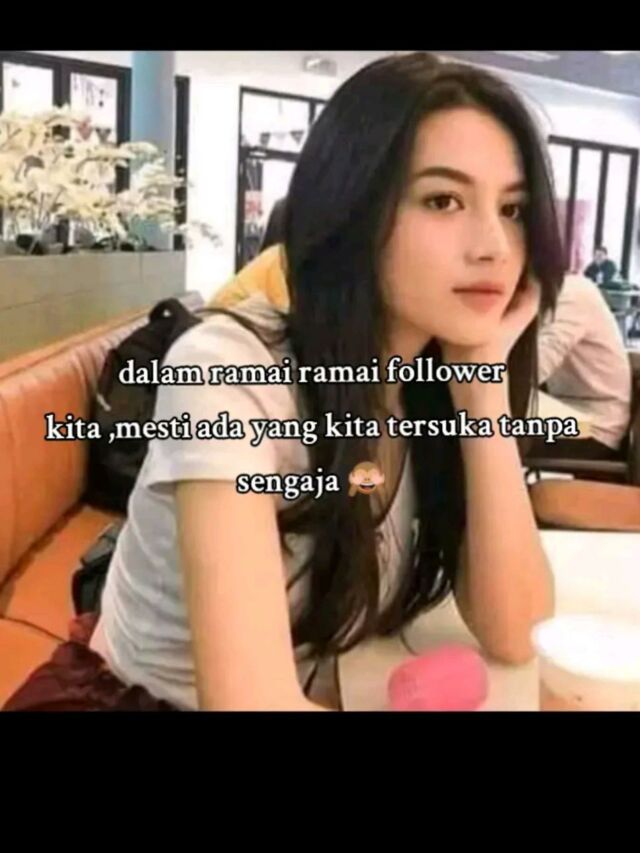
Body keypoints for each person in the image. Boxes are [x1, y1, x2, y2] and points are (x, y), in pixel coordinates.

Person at [4, 51, 565, 712]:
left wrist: (481, 389)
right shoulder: (229, 370)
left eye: (513, 209)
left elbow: (518, 632)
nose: (494, 246)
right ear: (352, 211)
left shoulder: (424, 383)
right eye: (443, 200)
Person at [531, 273, 632, 461]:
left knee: (484, 437)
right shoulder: (543, 293)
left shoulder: (572, 293)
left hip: (596, 429)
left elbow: (535, 368)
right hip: (566, 411)